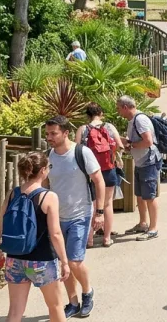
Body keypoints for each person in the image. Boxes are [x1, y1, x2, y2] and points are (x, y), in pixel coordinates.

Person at [0, 152, 71, 322]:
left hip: (14, 259)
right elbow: (55, 233)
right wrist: (65, 262)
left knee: (15, 311)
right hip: (42, 261)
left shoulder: (11, 194)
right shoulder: (48, 196)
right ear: (43, 170)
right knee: (55, 307)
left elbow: (1, 226)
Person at [44, 116, 105, 318]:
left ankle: (87, 292)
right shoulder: (48, 157)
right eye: (47, 134)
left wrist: (100, 212)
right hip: (56, 218)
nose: (49, 137)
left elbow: (99, 181)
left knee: (74, 261)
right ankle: (72, 301)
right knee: (64, 262)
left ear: (65, 133)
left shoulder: (81, 153)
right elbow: (45, 186)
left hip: (80, 213)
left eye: (53, 133)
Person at [76, 104, 125, 249]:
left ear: (87, 115)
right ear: (101, 113)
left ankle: (89, 240)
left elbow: (77, 149)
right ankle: (106, 238)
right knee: (107, 203)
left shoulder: (83, 129)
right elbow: (120, 145)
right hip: (108, 169)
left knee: (91, 204)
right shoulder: (109, 127)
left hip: (89, 171)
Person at [117, 95, 162, 241]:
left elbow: (148, 141)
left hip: (148, 161)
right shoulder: (132, 120)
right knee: (140, 195)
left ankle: (153, 228)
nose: (118, 111)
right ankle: (143, 223)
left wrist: (131, 145)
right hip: (141, 161)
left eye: (119, 108)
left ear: (125, 107)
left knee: (149, 196)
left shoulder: (140, 120)